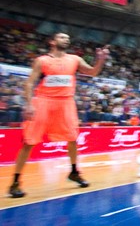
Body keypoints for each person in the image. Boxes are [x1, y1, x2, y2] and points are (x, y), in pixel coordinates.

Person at [8, 33, 109, 198]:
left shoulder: (75, 59)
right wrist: (28, 104)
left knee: (72, 138)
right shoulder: (42, 60)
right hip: (43, 101)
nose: (66, 39)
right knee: (29, 142)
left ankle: (74, 172)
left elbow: (92, 72)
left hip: (65, 102)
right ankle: (15, 183)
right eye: (62, 37)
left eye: (68, 38)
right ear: (52, 42)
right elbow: (29, 82)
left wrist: (101, 60)